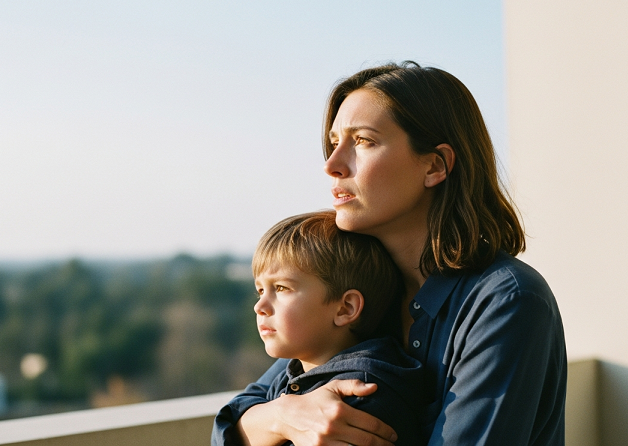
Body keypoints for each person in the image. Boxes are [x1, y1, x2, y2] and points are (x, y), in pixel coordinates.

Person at [213, 62, 567, 446]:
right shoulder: (362, 285)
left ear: (434, 165)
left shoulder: (508, 302)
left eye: (363, 141)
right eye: (334, 143)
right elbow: (232, 424)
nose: (332, 165)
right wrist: (284, 415)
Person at [214, 211, 428, 445]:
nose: (260, 306)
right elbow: (228, 421)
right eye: (261, 291)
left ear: (345, 308)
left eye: (282, 288)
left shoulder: (361, 396)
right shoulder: (296, 371)